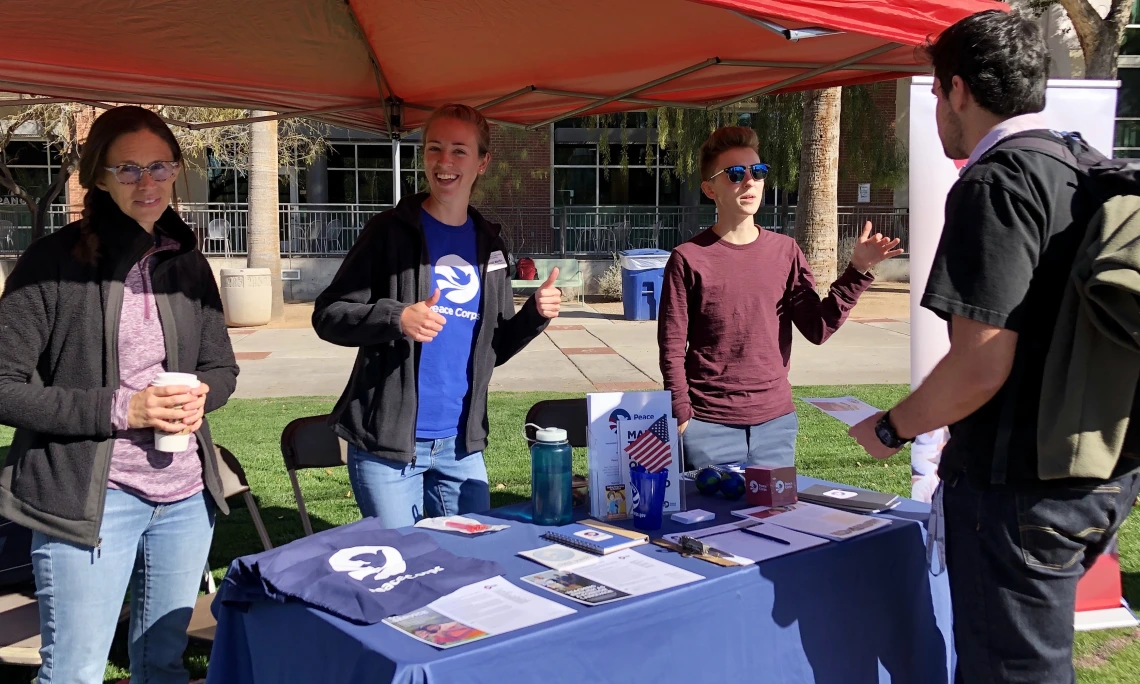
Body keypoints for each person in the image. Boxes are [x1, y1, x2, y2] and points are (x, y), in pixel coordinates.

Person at [847, 10, 1140, 683]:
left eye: (931, 90)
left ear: (957, 91)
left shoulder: (995, 182)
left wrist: (892, 427)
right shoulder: (1079, 166)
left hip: (1021, 494)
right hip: (1095, 474)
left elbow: (980, 366)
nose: (934, 107)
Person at [0, 106, 239, 684]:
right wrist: (122, 408)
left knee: (162, 664)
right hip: (90, 499)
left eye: (159, 166)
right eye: (127, 169)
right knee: (75, 672)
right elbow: (4, 388)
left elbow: (221, 367)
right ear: (99, 176)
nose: (147, 182)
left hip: (184, 497)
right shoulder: (50, 265)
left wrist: (205, 394)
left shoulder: (185, 262)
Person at [313, 103, 561, 528]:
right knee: (402, 574)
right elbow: (329, 314)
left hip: (461, 447)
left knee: (471, 567)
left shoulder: (491, 246)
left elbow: (494, 348)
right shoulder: (389, 232)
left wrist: (535, 314)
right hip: (388, 447)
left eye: (459, 151)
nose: (444, 162)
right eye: (435, 149)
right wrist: (396, 318)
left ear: (483, 162)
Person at [658, 126, 901, 469]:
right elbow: (671, 347)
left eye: (757, 172)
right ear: (709, 188)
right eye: (735, 173)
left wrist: (858, 270)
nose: (749, 182)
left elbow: (818, 328)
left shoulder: (785, 252)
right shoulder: (688, 258)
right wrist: (682, 415)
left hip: (775, 425)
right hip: (707, 425)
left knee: (773, 519)